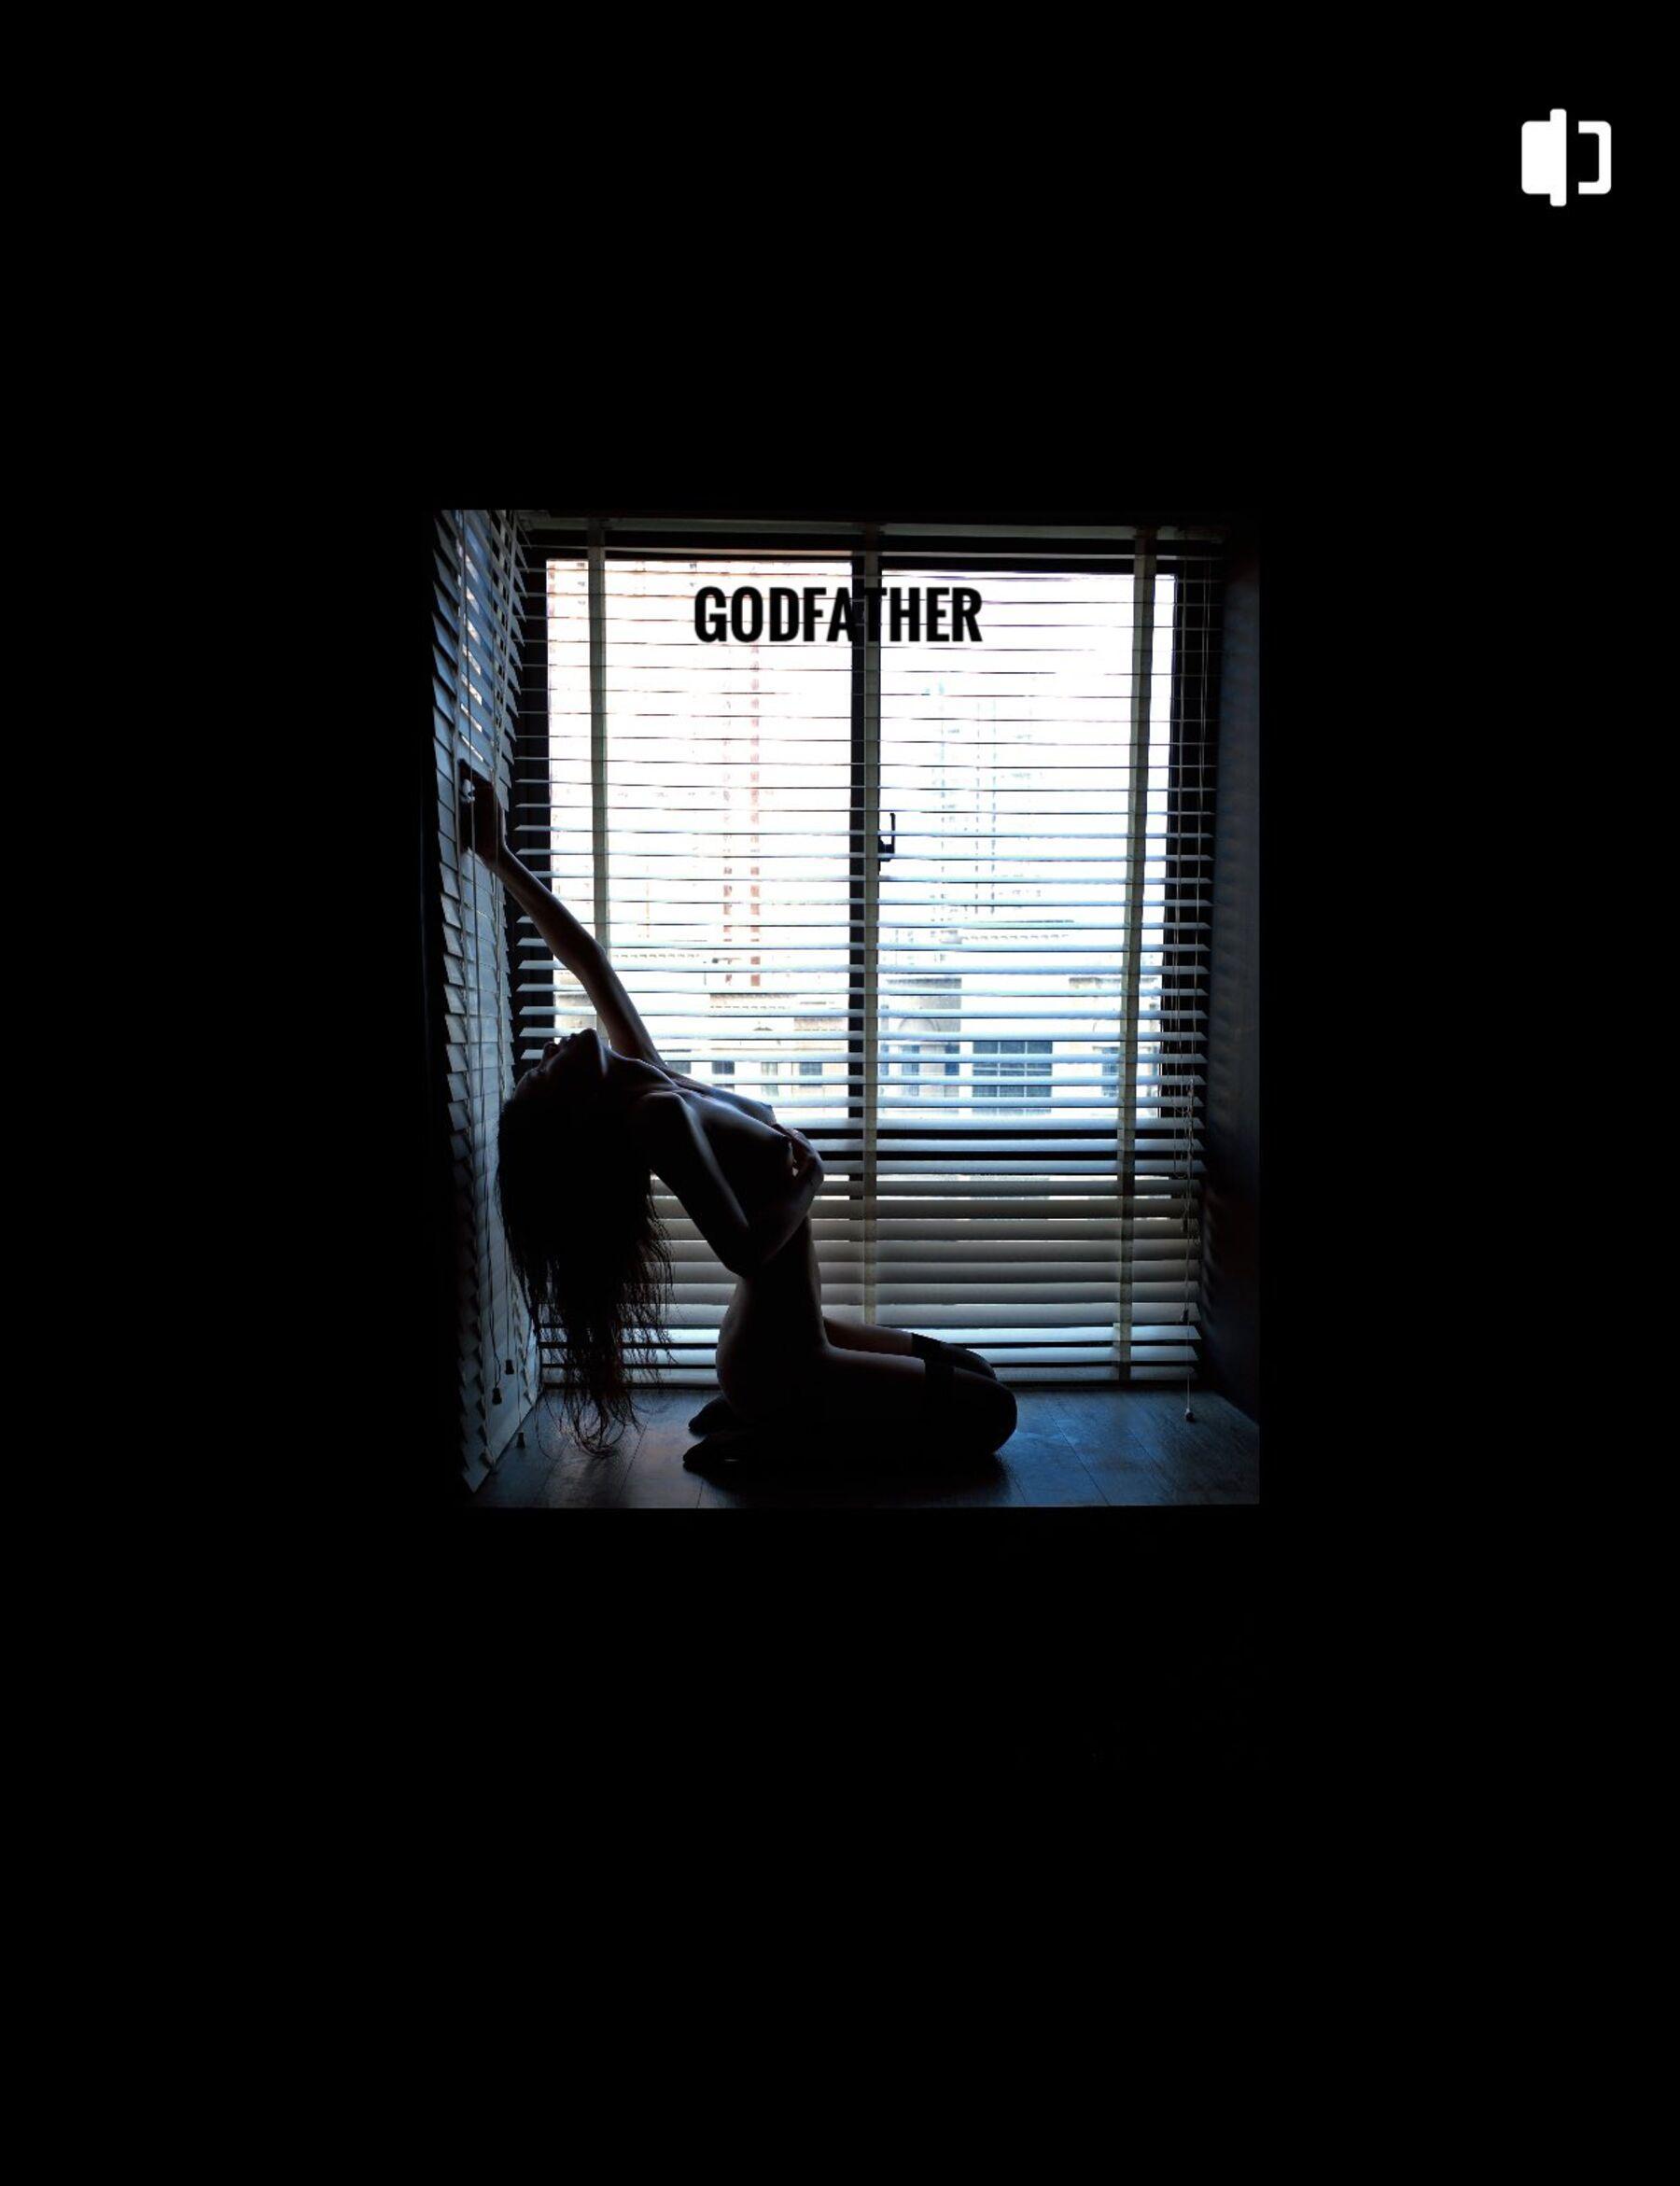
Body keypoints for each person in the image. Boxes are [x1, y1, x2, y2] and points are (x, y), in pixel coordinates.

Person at [463, 765, 1017, 1470]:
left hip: (795, 1328)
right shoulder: (657, 1117)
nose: (548, 1049)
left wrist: (500, 858)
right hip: (783, 1359)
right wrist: (808, 1181)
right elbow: (745, 1252)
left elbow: (590, 963)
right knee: (994, 1414)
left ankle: (781, 1422)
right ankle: (780, 1432)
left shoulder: (652, 1077)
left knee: (977, 1371)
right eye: (542, 1073)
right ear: (574, 1113)